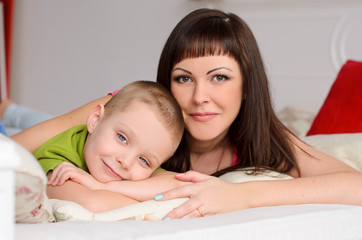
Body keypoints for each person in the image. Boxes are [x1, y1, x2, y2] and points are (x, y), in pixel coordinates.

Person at [6, 8, 362, 218]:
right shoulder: (130, 110)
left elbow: (355, 186)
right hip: (77, 139)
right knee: (35, 123)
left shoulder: (264, 139)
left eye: (219, 78)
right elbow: (24, 146)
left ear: (246, 84)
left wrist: (243, 195)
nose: (199, 97)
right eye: (183, 78)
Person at [37, 81, 185, 212]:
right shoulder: (56, 156)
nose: (126, 162)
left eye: (144, 160)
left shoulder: (140, 165)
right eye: (122, 138)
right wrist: (146, 198)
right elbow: (91, 204)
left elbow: (181, 185)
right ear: (95, 120)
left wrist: (102, 187)